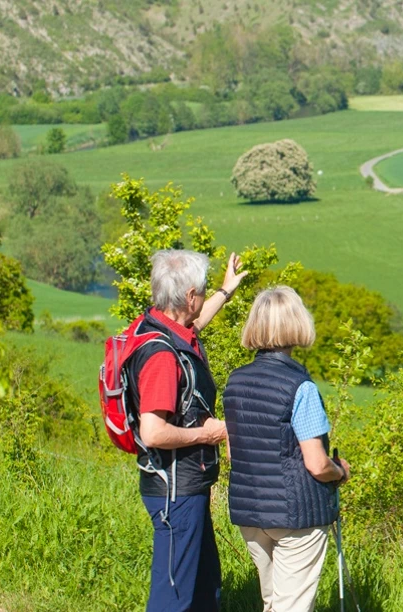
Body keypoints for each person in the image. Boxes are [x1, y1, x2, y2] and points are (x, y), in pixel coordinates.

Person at [126, 249, 248, 612]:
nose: (204, 295)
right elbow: (153, 431)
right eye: (203, 290)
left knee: (204, 584)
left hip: (184, 486)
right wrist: (206, 435)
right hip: (174, 493)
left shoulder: (161, 327)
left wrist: (225, 292)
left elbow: (195, 325)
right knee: (173, 595)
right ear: (189, 296)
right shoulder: (163, 358)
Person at [222, 286, 351, 612]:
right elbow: (317, 464)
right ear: (297, 324)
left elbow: (232, 454)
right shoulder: (301, 388)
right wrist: (341, 471)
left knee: (273, 604)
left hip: (249, 513)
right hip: (297, 516)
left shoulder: (235, 382)